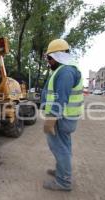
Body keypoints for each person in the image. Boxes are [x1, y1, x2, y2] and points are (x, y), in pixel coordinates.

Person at [41, 39, 83, 191]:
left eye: (49, 58)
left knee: (60, 148)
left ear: (57, 56)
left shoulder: (65, 72)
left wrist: (51, 119)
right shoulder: (65, 70)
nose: (48, 61)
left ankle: (63, 182)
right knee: (64, 147)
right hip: (65, 117)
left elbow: (61, 98)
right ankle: (61, 172)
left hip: (61, 118)